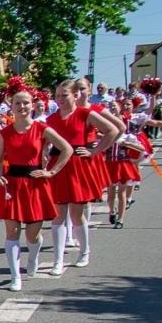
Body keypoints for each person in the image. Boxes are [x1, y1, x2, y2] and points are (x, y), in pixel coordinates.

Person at [0, 89, 72, 290]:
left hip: (35, 184)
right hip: (12, 185)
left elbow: (67, 149)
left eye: (26, 103)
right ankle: (15, 276)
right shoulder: (5, 133)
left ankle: (33, 257)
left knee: (32, 235)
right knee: (12, 231)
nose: (22, 107)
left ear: (33, 105)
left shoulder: (42, 129)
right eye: (17, 103)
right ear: (12, 106)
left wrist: (51, 172)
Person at [45, 79, 120, 274]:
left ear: (75, 95)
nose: (60, 99)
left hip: (78, 165)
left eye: (65, 95)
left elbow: (112, 130)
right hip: (58, 165)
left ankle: (84, 251)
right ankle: (58, 259)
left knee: (77, 214)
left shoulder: (85, 113)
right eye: (58, 96)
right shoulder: (51, 119)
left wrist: (95, 152)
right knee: (58, 215)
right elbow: (44, 143)